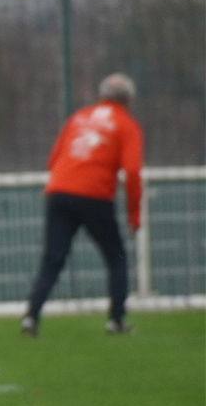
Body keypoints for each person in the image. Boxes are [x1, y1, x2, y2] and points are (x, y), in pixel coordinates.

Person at [21, 73, 144, 337]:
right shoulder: (126, 124)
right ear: (128, 99)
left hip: (60, 191)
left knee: (53, 258)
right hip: (95, 196)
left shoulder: (79, 117)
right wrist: (134, 215)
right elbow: (132, 172)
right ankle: (116, 320)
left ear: (102, 96)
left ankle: (31, 317)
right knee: (116, 257)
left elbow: (53, 159)